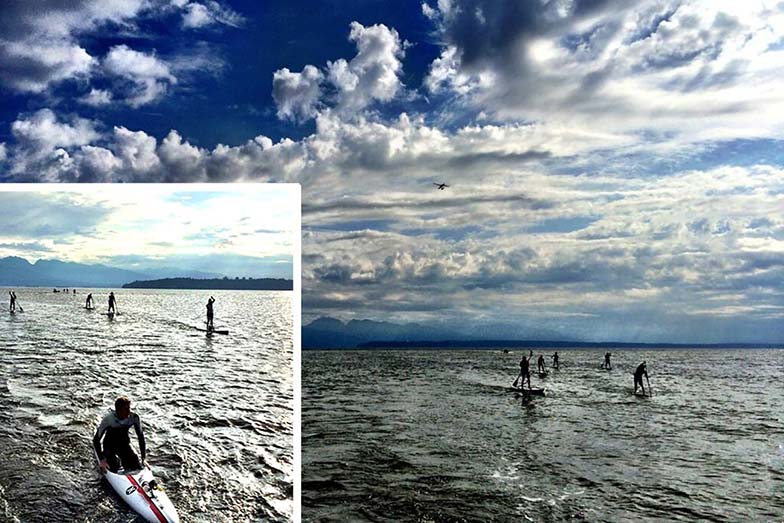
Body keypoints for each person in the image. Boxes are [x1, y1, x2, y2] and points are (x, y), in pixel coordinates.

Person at [93, 396, 146, 473]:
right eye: (126, 409)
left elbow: (140, 437)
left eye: (129, 408)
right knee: (114, 466)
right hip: (109, 446)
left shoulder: (134, 417)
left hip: (124, 445)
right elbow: (96, 440)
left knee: (135, 463)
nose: (129, 411)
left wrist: (144, 458)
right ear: (118, 410)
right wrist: (102, 460)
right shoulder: (109, 419)